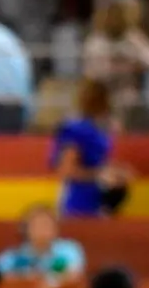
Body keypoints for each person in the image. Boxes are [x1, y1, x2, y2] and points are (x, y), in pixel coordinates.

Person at [53, 80, 125, 219]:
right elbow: (66, 170)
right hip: (78, 200)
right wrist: (101, 175)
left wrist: (116, 173)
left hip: (99, 199)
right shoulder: (76, 129)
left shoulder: (99, 130)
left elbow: (100, 164)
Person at [0, 204, 86, 288]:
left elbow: (74, 275)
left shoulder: (68, 250)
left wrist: (51, 282)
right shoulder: (11, 257)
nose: (42, 230)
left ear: (56, 229)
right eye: (36, 225)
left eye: (47, 225)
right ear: (25, 229)